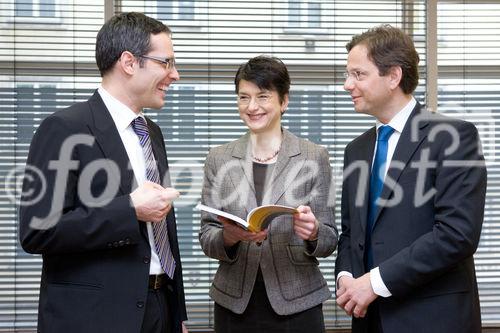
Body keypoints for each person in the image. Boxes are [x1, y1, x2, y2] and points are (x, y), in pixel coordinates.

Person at [19, 12, 188, 333]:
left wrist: (176, 312)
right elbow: (36, 230)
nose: (175, 75)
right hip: (96, 317)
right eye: (166, 63)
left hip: (158, 308)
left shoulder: (151, 132)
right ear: (128, 62)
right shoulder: (64, 129)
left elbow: (162, 232)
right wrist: (129, 210)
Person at [335, 24, 487, 333]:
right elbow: (351, 234)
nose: (347, 85)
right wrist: (347, 278)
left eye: (359, 74)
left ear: (393, 76)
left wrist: (374, 283)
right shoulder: (357, 150)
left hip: (434, 319)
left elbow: (456, 235)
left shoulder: (453, 137)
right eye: (347, 74)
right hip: (369, 320)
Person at [198, 55, 337, 332]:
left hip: (298, 302)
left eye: (263, 96)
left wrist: (313, 233)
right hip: (234, 303)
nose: (252, 107)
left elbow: (330, 239)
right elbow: (206, 237)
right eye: (243, 97)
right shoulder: (219, 158)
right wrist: (229, 236)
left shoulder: (314, 157)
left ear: (284, 101)